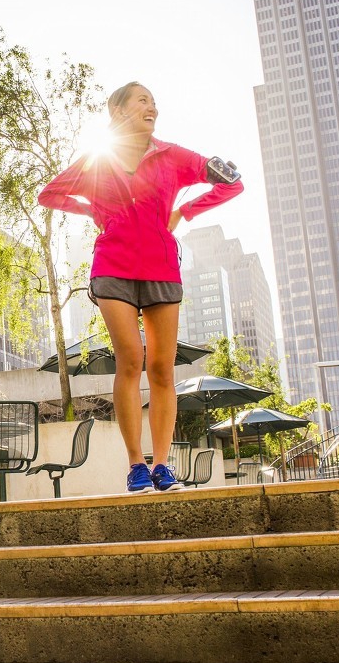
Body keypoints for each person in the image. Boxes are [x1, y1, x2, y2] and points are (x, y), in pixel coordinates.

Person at [38, 82, 244, 492]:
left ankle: (162, 465)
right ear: (117, 112)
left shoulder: (174, 156)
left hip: (162, 268)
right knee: (130, 358)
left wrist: (185, 209)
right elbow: (50, 194)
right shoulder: (97, 161)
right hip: (112, 266)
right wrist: (92, 208)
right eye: (142, 100)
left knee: (162, 368)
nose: (152, 106)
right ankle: (136, 465)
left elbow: (232, 181)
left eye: (154, 100)